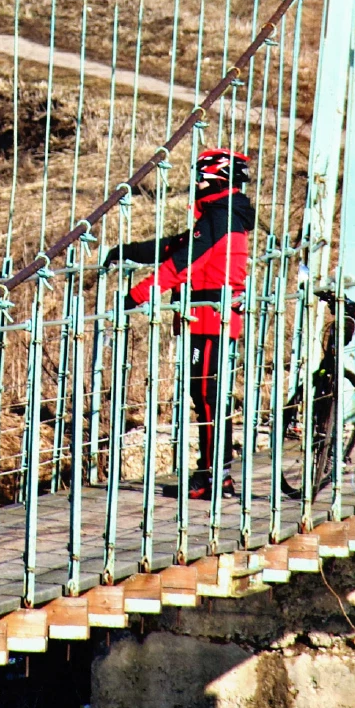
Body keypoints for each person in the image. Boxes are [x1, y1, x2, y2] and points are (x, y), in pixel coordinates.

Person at [103, 151, 255, 498]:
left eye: (200, 177)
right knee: (209, 397)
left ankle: (213, 479)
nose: (195, 184)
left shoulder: (221, 215)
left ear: (218, 178)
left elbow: (183, 262)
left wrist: (136, 296)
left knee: (207, 397)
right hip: (212, 317)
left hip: (211, 318)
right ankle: (217, 476)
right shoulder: (225, 213)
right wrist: (130, 250)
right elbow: (179, 246)